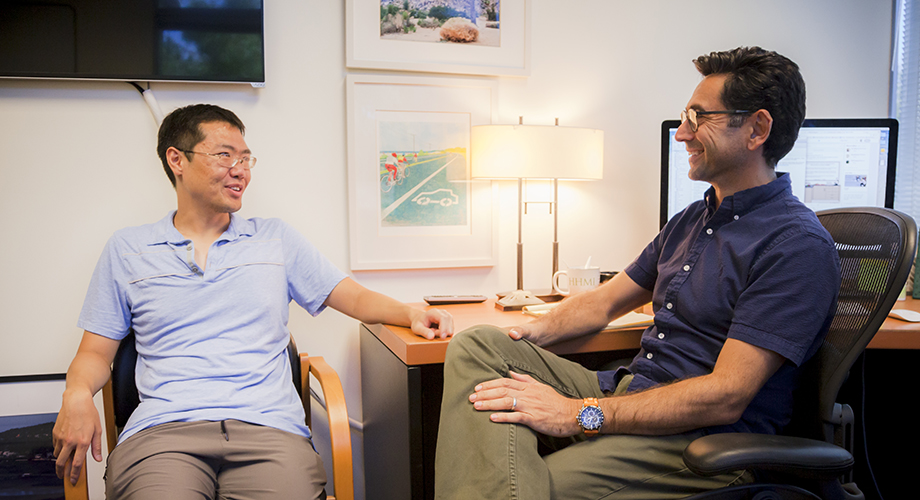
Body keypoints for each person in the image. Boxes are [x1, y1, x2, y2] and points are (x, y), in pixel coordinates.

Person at [433, 46, 841, 500]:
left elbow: (725, 395)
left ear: (756, 129)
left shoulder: (794, 245)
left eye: (699, 118)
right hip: (632, 391)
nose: (682, 133)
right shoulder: (693, 219)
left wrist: (577, 415)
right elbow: (605, 301)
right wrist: (532, 334)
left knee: (534, 486)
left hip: (700, 441)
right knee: (479, 344)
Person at [52, 104, 454, 499]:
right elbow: (94, 353)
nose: (240, 169)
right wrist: (76, 394)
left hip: (269, 430)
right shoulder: (129, 249)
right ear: (176, 159)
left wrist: (411, 312)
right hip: (165, 433)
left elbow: (353, 296)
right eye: (224, 155)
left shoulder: (274, 239)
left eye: (246, 158)